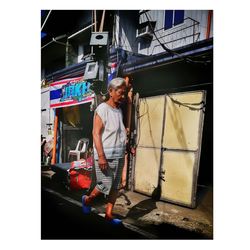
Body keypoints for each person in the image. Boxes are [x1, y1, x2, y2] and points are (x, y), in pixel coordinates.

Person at [82, 77, 127, 225]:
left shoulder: (119, 110)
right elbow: (95, 133)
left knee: (114, 187)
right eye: (121, 92)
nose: (123, 96)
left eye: (124, 93)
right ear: (111, 91)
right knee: (103, 185)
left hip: (119, 154)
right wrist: (101, 156)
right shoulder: (102, 109)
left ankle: (108, 214)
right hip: (105, 156)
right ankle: (87, 200)